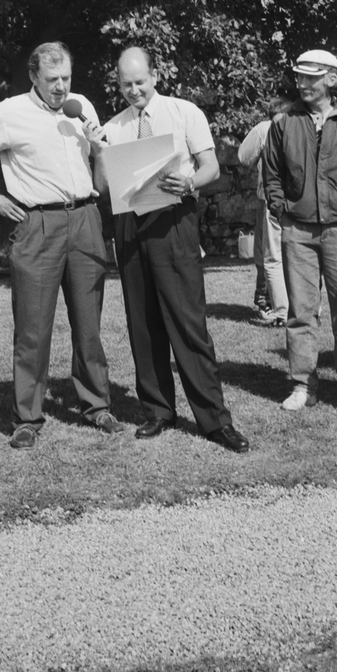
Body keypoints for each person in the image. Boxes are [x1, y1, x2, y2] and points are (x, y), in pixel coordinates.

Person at [0, 42, 121, 446]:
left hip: (85, 218)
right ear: (34, 77)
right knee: (32, 327)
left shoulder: (82, 108)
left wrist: (100, 151)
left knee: (89, 323)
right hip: (36, 225)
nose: (60, 87)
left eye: (66, 77)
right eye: (52, 79)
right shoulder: (9, 113)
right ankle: (27, 418)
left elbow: (101, 183)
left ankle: (97, 405)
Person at [100, 47, 248, 452]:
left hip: (174, 218)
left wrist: (190, 183)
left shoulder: (184, 113)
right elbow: (103, 185)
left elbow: (210, 166)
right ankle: (158, 410)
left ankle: (214, 420)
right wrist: (96, 152)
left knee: (187, 322)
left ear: (155, 76)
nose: (134, 90)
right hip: (130, 224)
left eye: (140, 82)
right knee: (143, 322)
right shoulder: (113, 127)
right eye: (126, 84)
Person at [262, 48, 337, 412]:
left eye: (311, 77)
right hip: (298, 231)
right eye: (300, 76)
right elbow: (272, 173)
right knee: (300, 312)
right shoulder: (284, 121)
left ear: (332, 79)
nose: (303, 83)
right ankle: (303, 384)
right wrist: (281, 210)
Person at [236, 97, 291, 327]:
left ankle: (283, 308)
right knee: (276, 254)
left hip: (280, 200)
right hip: (282, 200)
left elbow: (243, 158)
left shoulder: (266, 129)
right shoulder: (268, 130)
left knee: (275, 256)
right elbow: (245, 157)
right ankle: (268, 301)